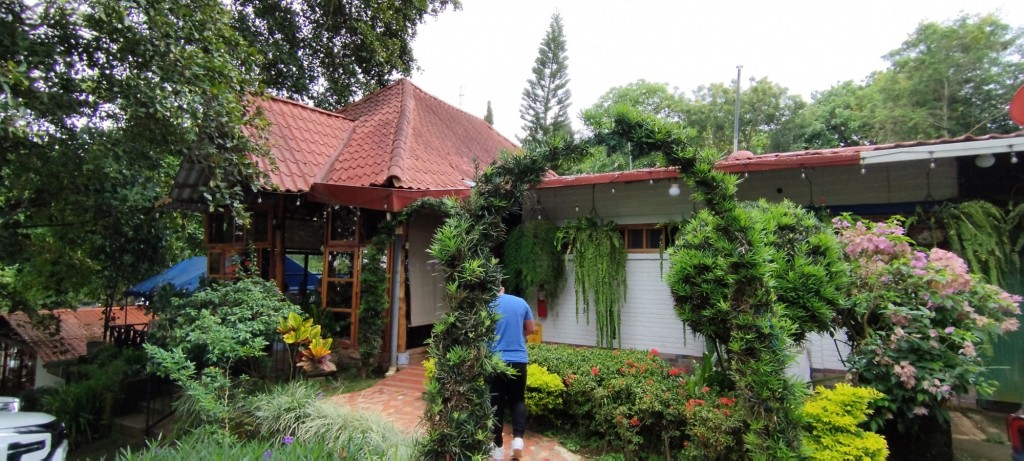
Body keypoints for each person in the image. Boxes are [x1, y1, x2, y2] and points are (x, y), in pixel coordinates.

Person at [487, 286, 535, 460]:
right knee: (518, 400)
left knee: (496, 404)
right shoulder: (521, 303)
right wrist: (517, 335)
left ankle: (497, 449)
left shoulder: (486, 305)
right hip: (518, 360)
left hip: (495, 362)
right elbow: (530, 328)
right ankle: (518, 440)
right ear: (502, 288)